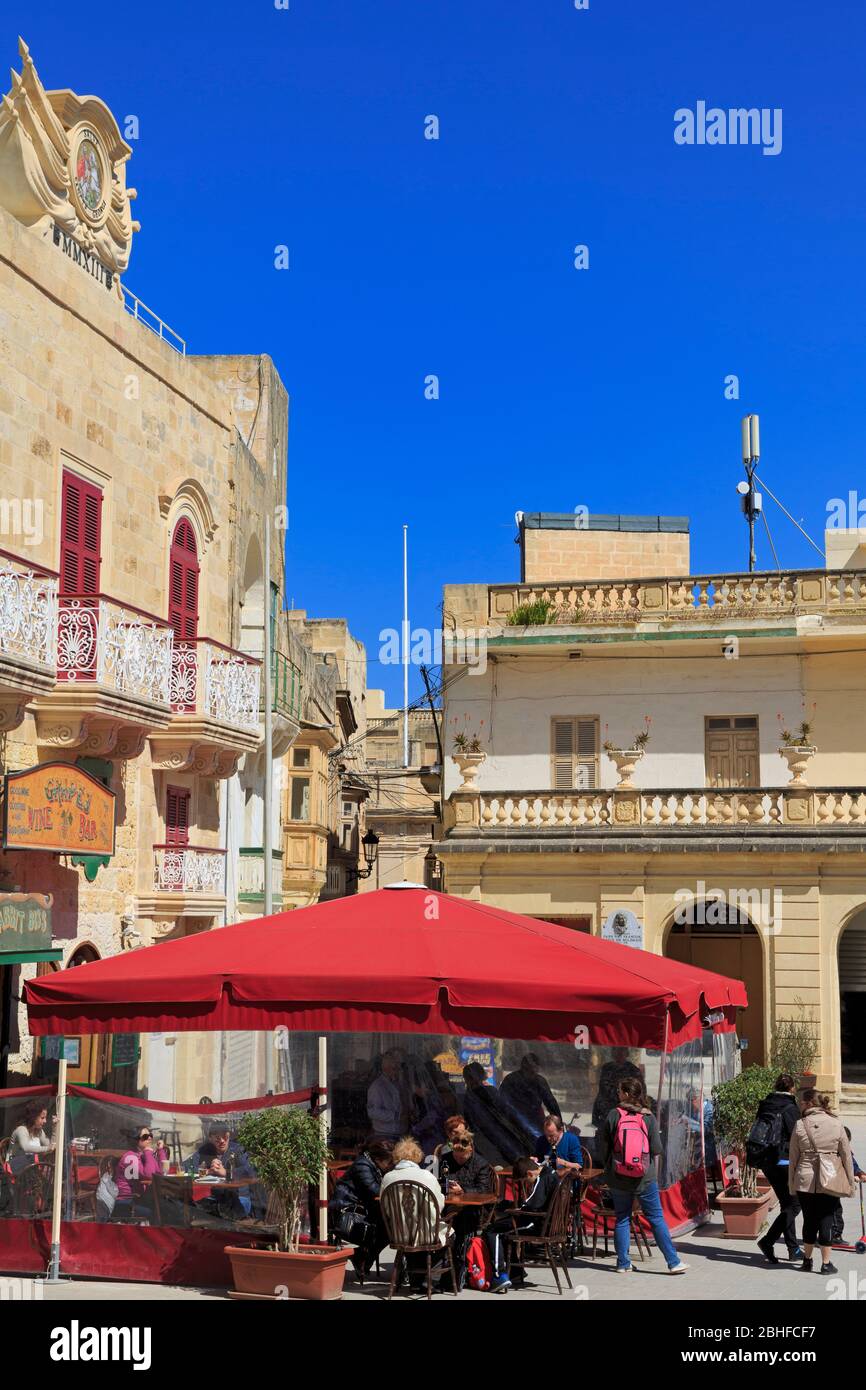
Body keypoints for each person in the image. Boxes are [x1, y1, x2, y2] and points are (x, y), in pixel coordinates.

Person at [595, 1077, 688, 1274]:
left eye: (620, 1091)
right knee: (655, 1217)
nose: (617, 1094)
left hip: (618, 1176)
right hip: (644, 1176)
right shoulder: (648, 1117)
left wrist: (611, 1165)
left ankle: (622, 1263)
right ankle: (673, 1262)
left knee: (622, 1218)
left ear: (627, 1094)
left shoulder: (614, 1115)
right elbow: (656, 1148)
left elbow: (603, 1147)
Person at [788, 1089, 855, 1275]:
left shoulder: (800, 1125)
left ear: (809, 1104)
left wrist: (791, 1184)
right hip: (830, 1177)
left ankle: (807, 1261)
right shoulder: (836, 1123)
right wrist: (851, 1183)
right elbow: (846, 1156)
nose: (800, 1105)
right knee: (826, 1219)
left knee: (809, 1220)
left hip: (805, 1178)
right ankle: (826, 1264)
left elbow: (793, 1158)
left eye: (801, 1103)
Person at [379, 1137, 450, 1290]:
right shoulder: (427, 1176)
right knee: (450, 1235)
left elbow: (385, 1207)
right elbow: (439, 1205)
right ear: (417, 1156)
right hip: (425, 1234)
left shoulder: (387, 1178)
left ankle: (416, 1280)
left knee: (413, 1239)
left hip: (399, 1233)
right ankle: (431, 1279)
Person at [484, 1154, 559, 1293]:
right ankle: (516, 1272)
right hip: (547, 1223)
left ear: (530, 1173)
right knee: (505, 1230)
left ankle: (498, 1275)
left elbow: (533, 1204)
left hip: (538, 1225)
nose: (527, 1183)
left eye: (526, 1180)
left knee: (492, 1231)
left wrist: (516, 1210)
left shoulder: (542, 1179)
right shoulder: (550, 1172)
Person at [754, 1073, 803, 1263]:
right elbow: (797, 1136)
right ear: (792, 1089)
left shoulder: (765, 1103)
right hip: (784, 1162)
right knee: (795, 1204)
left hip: (766, 1161)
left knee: (786, 1203)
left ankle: (793, 1249)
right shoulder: (791, 1107)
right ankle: (768, 1240)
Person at [330, 1139, 394, 1278]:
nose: (390, 1166)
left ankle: (362, 1258)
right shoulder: (362, 1165)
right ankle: (361, 1257)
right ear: (378, 1159)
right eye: (389, 1162)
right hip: (349, 1212)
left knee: (393, 1225)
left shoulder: (372, 1165)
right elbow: (374, 1190)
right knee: (391, 1227)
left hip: (363, 1208)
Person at [462, 1062, 533, 1164]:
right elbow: (508, 1111)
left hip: (489, 1139)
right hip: (496, 1138)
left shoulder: (472, 1097)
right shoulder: (484, 1093)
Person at [186, 1123, 256, 1221]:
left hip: (240, 1199)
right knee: (189, 1206)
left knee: (213, 1211)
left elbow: (250, 1171)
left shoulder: (238, 1150)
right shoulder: (206, 1150)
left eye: (225, 1137)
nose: (222, 1141)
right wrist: (207, 1171)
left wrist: (226, 1172)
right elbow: (186, 1166)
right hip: (216, 1198)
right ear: (210, 1138)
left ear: (229, 1135)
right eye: (217, 1138)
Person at [500, 1054, 562, 1137]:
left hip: (534, 1123)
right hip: (514, 1123)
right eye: (527, 1069)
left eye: (533, 1069)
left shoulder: (539, 1081)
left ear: (537, 1069)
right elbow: (501, 1102)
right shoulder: (511, 1080)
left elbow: (551, 1103)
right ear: (522, 1067)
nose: (530, 1072)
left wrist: (558, 1124)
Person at [114, 1126, 163, 1220]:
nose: (149, 1138)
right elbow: (149, 1176)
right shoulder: (130, 1157)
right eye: (145, 1136)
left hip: (138, 1199)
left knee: (167, 1205)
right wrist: (148, 1153)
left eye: (150, 1135)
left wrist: (160, 1150)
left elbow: (159, 1172)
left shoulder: (141, 1155)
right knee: (161, 1210)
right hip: (126, 1202)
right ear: (136, 1139)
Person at [591, 1048, 644, 1129]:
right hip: (607, 1113)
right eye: (616, 1051)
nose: (619, 1054)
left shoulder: (633, 1070)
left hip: (627, 1115)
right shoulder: (607, 1068)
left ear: (627, 1053)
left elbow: (639, 1092)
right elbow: (603, 1089)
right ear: (613, 1053)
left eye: (622, 1051)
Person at [831, 1127, 865, 1243]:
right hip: (830, 1184)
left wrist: (859, 1173)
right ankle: (834, 1235)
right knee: (834, 1210)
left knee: (830, 1209)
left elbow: (852, 1163)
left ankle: (827, 1235)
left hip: (826, 1183)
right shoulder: (835, 1150)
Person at [366, 1049, 407, 1141]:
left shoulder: (397, 1084)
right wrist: (396, 1116)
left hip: (399, 1132)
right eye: (394, 1068)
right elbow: (372, 1112)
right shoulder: (377, 1086)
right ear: (386, 1068)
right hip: (384, 1135)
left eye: (399, 1068)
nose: (397, 1071)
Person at [9, 1100, 55, 1176]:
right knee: (36, 1158)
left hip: (31, 1170)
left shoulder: (39, 1131)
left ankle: (59, 1180)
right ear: (33, 1117)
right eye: (42, 1118)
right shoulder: (21, 1129)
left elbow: (50, 1145)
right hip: (15, 1167)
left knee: (62, 1154)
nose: (45, 1121)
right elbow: (26, 1147)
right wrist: (48, 1148)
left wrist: (54, 1129)